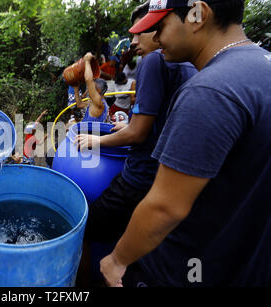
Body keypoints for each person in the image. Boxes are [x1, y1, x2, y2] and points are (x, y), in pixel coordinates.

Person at [100, 0, 271, 287]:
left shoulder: (209, 90)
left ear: (198, 15)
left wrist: (117, 260)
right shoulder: (262, 65)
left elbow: (166, 207)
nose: (155, 38)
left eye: (161, 27)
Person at [74, 0, 198, 286]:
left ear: (160, 29)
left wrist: (98, 139)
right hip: (167, 182)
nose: (133, 41)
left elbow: (139, 134)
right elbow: (161, 119)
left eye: (139, 33)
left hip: (139, 177)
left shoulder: (153, 61)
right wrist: (130, 123)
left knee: (83, 229)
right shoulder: (190, 64)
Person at [73, 52, 110, 123]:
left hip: (90, 132)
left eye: (92, 86)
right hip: (85, 130)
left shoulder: (99, 103)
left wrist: (87, 61)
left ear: (98, 91)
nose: (89, 88)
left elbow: (88, 80)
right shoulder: (94, 101)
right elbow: (79, 104)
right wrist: (76, 87)